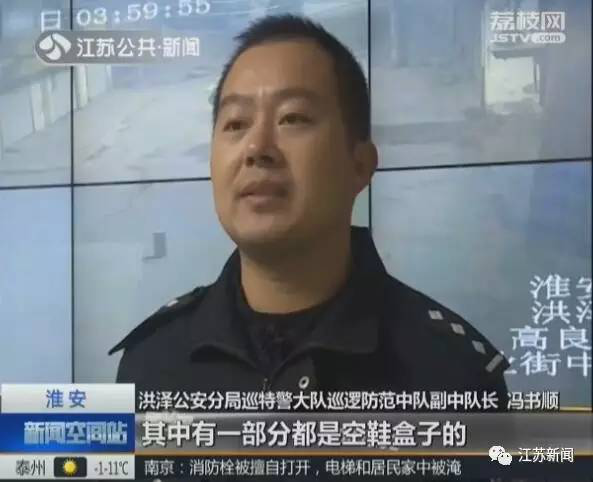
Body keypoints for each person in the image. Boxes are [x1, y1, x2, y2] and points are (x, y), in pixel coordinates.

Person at [110, 14, 509, 408]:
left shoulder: (452, 375)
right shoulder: (151, 363)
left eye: (293, 118)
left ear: (360, 165)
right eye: (235, 124)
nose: (256, 148)